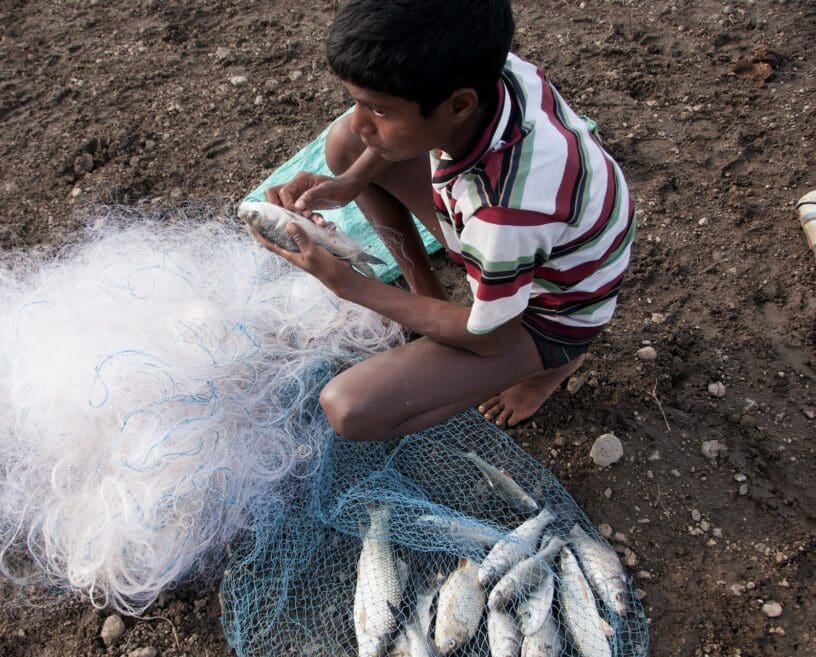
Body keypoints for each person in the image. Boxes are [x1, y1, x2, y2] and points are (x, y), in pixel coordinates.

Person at [251, 0, 635, 441]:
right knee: (345, 147)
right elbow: (365, 139)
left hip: (552, 309)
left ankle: (552, 367)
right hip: (512, 239)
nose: (360, 121)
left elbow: (492, 338)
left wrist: (352, 287)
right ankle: (428, 300)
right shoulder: (487, 66)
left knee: (351, 410)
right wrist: (350, 183)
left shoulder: (505, 212)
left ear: (458, 105)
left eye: (377, 109)